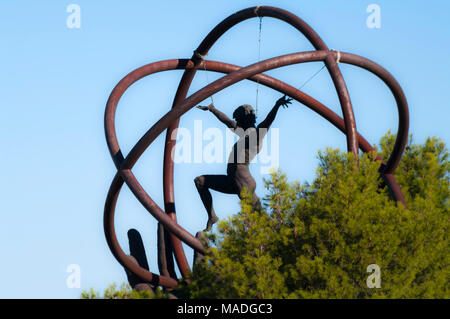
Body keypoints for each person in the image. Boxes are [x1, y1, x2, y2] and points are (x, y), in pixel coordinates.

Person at [195, 95, 292, 231]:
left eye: (238, 120)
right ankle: (212, 217)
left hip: (243, 183)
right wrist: (212, 109)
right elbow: (228, 122)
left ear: (244, 120)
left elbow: (267, 122)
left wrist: (276, 106)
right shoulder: (245, 132)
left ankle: (284, 235)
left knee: (260, 221)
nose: (236, 122)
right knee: (200, 181)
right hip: (231, 181)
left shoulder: (255, 136)